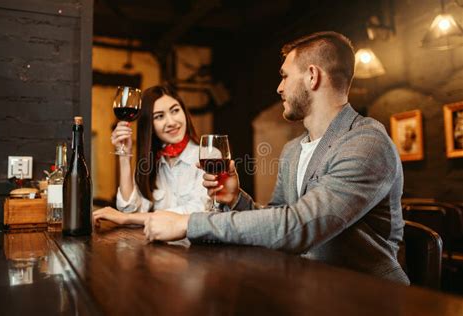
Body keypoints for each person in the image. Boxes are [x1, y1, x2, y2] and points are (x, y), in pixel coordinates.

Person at [142, 32, 410, 284]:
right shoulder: (294, 149)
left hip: (366, 296)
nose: (279, 88)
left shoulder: (366, 142)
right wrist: (237, 200)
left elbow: (298, 226)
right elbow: (278, 217)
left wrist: (188, 223)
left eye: (284, 76)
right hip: (306, 286)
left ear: (312, 76)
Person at [93, 85, 210, 225]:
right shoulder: (149, 163)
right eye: (159, 116)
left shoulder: (209, 156)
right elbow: (130, 211)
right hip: (158, 246)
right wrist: (125, 156)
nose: (171, 122)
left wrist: (128, 218)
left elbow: (200, 212)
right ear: (150, 126)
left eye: (175, 111)